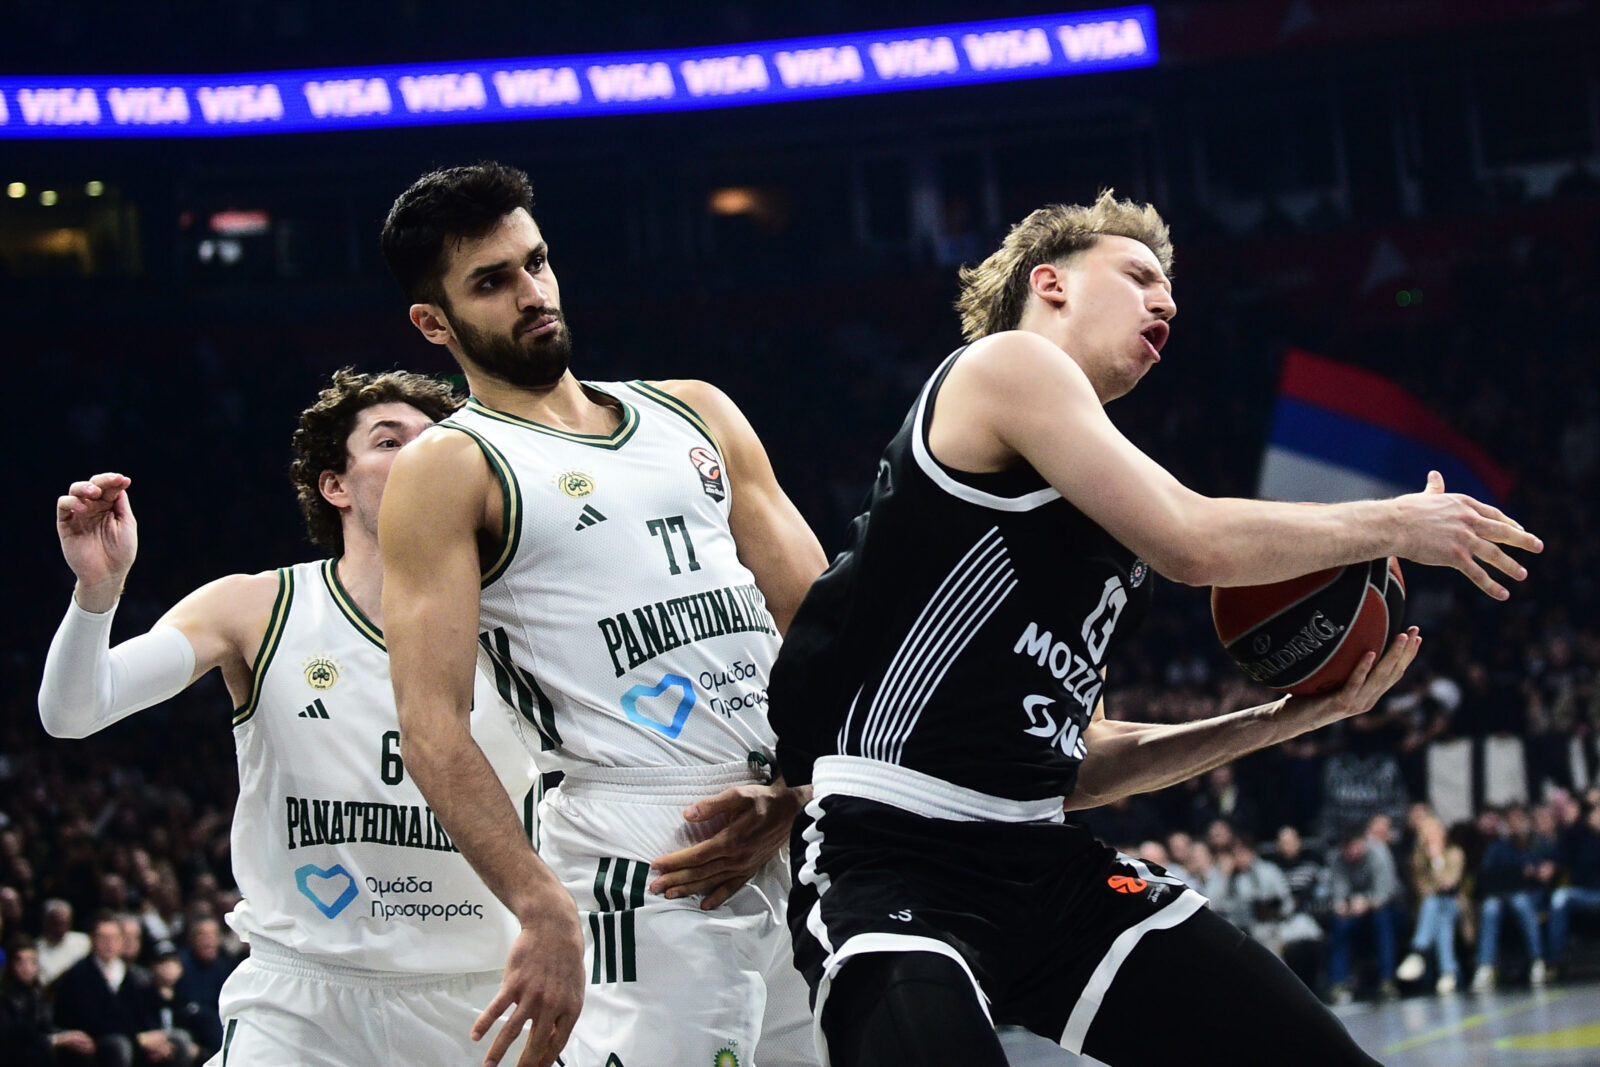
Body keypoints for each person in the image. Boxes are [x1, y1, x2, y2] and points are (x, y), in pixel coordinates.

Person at [766, 190, 1541, 1065]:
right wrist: (1397, 524)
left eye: (1169, 286)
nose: (1166, 300)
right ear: (1050, 283)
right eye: (1138, 276)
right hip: (890, 850)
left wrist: (1283, 721)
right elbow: (1192, 540)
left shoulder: (1104, 519)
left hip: (1038, 860)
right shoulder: (1006, 365)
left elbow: (1081, 765)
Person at [377, 161, 830, 1067]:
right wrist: (539, 902)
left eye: (535, 263)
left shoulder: (695, 412)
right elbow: (431, 728)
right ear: (434, 322)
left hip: (794, 817)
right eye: (492, 282)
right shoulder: (450, 465)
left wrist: (803, 791)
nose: (532, 292)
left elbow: (830, 629)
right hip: (641, 849)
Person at [38, 369, 541, 1065]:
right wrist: (99, 591)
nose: (422, 456)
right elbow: (73, 712)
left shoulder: (527, 618)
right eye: (391, 441)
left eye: (438, 442)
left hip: (482, 998)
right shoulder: (257, 608)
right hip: (303, 1004)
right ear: (335, 484)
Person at [51, 911, 193, 1066]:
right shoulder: (80, 974)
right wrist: (138, 1039)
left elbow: (142, 1013)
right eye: (103, 938)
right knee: (120, 1045)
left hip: (134, 1036)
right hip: (99, 1042)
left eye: (114, 938)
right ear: (92, 940)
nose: (109, 943)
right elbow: (90, 1021)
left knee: (179, 1039)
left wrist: (156, 1038)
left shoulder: (129, 974)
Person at [1471, 804, 1556, 990]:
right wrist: (1517, 872)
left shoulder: (1539, 845)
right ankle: (1485, 966)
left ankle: (1537, 960)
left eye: (1520, 820)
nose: (1516, 824)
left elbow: (1551, 869)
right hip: (1501, 897)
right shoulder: (1497, 848)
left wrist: (1542, 872)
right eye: (1512, 820)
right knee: (1489, 907)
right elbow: (1485, 877)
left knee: (1520, 902)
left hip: (1531, 896)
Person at [1325, 825, 1403, 1003]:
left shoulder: (1378, 854)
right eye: (1347, 847)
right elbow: (1338, 893)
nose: (1350, 851)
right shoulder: (1338, 859)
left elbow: (1386, 892)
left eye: (1354, 846)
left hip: (1386, 909)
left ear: (1363, 842)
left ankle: (1387, 981)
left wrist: (1367, 903)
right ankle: (1339, 983)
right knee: (1339, 924)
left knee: (1382, 921)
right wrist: (1342, 905)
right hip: (1355, 912)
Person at [1396, 813, 1466, 994]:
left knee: (1438, 904)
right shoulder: (1418, 859)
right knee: (1438, 912)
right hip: (1430, 908)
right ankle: (1448, 972)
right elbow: (1422, 890)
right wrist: (1430, 863)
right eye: (1427, 833)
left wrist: (1436, 860)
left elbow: (1450, 883)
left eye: (1435, 832)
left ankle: (1418, 951)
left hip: (1456, 906)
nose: (1432, 836)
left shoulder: (1455, 853)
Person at [0, 939, 97, 1066]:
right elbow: (17, 1037)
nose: (27, 968)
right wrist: (56, 1040)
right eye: (20, 962)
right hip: (17, 1054)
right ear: (11, 966)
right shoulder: (5, 996)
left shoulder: (36, 994)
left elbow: (45, 1027)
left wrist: (69, 1035)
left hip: (40, 1045)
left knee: (80, 1049)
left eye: (32, 962)